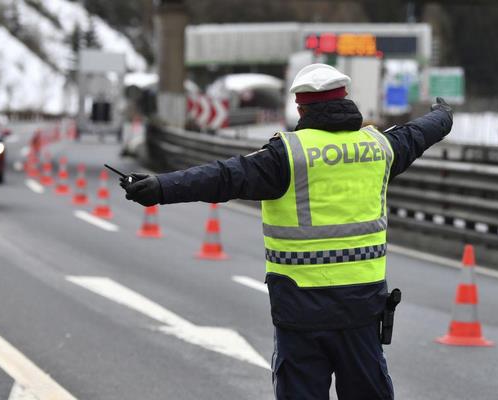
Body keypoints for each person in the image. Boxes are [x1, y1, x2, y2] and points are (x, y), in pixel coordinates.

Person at [119, 63, 453, 400]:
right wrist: (443, 115)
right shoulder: (379, 148)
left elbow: (221, 177)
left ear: (300, 107)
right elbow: (419, 133)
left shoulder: (287, 156)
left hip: (300, 314)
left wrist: (160, 187)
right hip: (362, 311)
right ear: (346, 100)